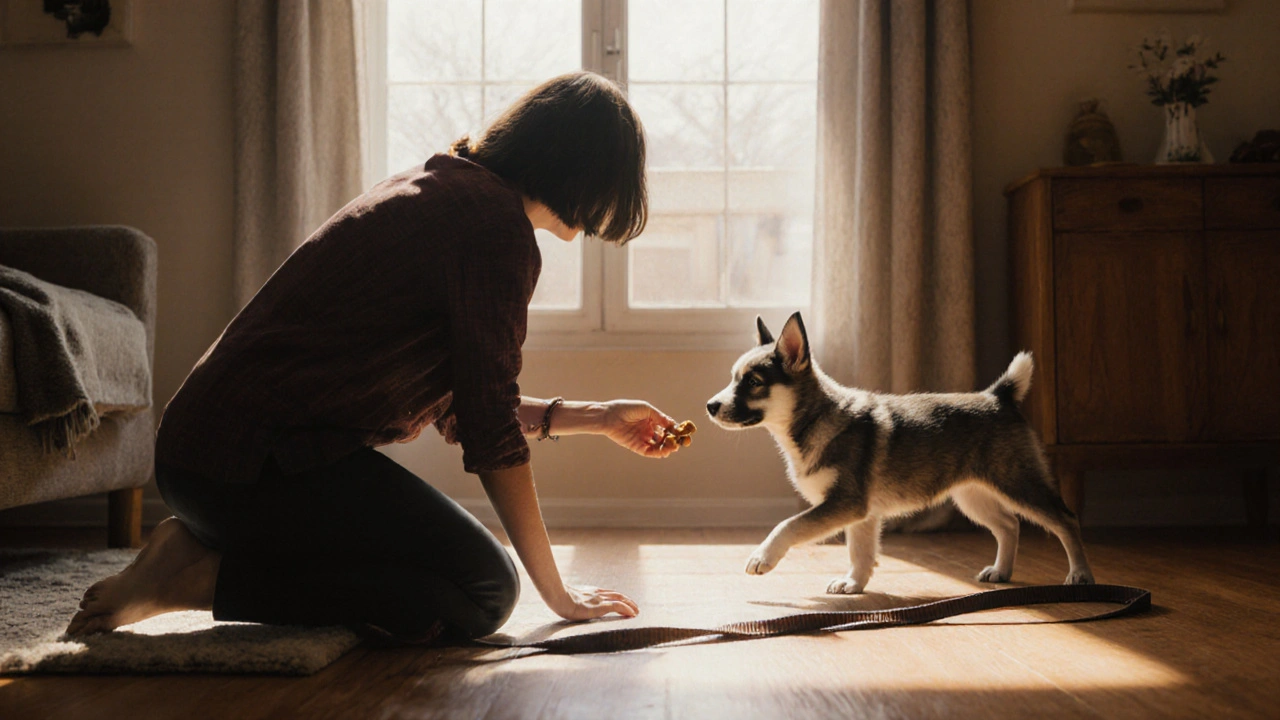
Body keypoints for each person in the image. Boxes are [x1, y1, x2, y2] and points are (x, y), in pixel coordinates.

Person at [67, 71, 677, 641]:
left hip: (202, 461)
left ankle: (203, 550)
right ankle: (199, 580)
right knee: (485, 592)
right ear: (581, 171)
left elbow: (464, 403)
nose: (603, 214)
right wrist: (559, 595)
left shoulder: (447, 188)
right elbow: (488, 423)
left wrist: (600, 417)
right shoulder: (494, 230)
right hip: (250, 469)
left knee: (458, 577)